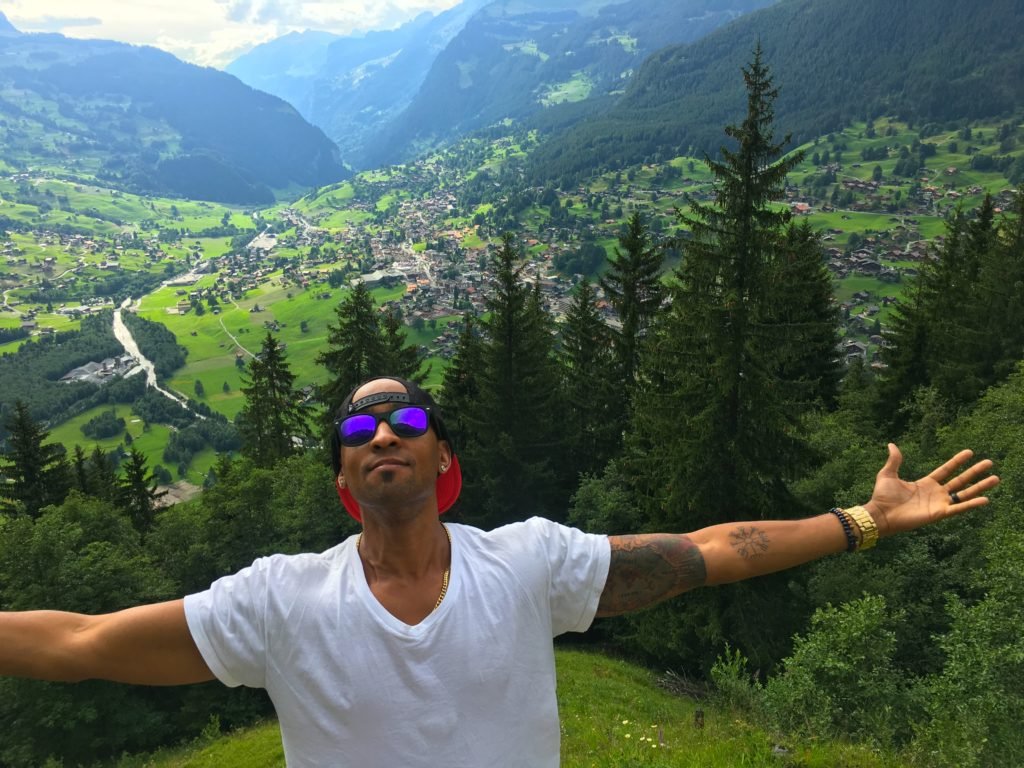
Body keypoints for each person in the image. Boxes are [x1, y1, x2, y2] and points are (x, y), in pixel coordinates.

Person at [0, 375, 1000, 766]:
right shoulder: (278, 600)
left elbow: (705, 553)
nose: (382, 427)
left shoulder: (527, 563)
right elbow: (83, 644)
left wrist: (862, 519)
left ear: (445, 463)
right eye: (357, 425)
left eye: (407, 418)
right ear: (347, 483)